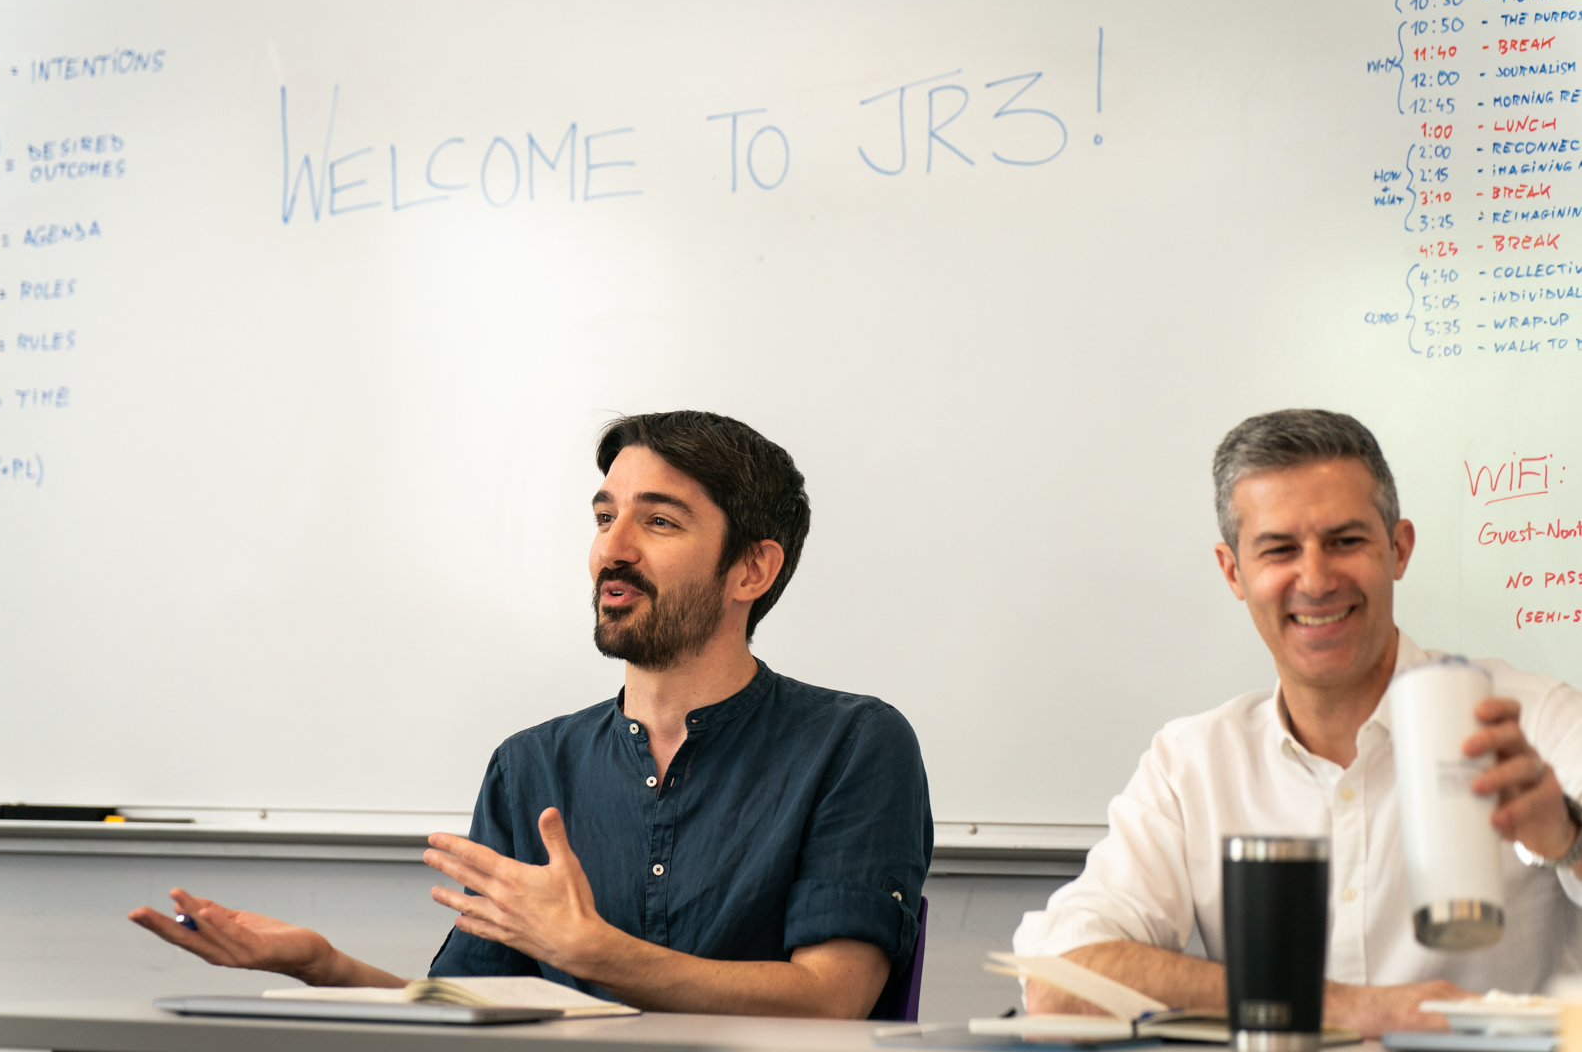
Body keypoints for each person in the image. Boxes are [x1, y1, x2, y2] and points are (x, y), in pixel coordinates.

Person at [129, 410, 932, 1019]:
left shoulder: (853, 744)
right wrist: (323, 965)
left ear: (752, 568)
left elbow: (833, 998)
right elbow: (476, 1007)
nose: (612, 550)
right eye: (602, 516)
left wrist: (597, 954)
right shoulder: (533, 764)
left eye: (657, 520)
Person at [1013, 409, 1582, 1037]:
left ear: (1399, 548)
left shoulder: (1534, 721)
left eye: (1345, 541)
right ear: (1234, 572)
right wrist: (1345, 1007)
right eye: (1280, 549)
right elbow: (1060, 981)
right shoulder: (1193, 764)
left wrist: (1567, 838)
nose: (1315, 579)